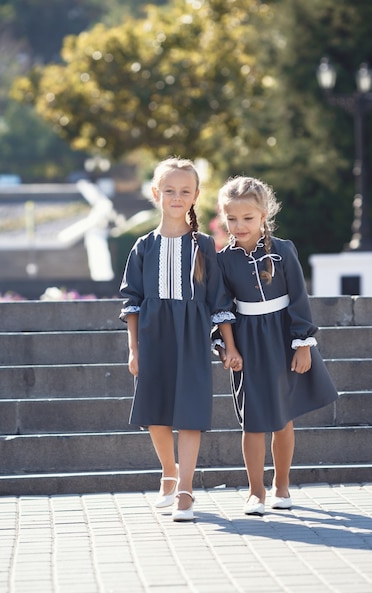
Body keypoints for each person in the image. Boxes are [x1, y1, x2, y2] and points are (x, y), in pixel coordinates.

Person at [119, 157, 242, 522]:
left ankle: (185, 491)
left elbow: (219, 300)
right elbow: (132, 302)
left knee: (189, 412)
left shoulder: (204, 246)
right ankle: (169, 472)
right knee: (155, 412)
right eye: (169, 190)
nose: (176, 197)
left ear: (195, 196)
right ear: (156, 193)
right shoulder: (143, 246)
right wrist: (133, 348)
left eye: (184, 191)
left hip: (192, 337)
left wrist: (229, 345)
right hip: (153, 336)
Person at [214, 175, 338, 515]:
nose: (239, 225)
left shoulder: (283, 251)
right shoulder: (223, 260)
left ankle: (281, 485)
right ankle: (255, 492)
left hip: (283, 338)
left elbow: (299, 298)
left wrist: (302, 345)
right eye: (232, 218)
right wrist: (228, 348)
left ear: (264, 214)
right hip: (247, 341)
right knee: (252, 420)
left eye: (248, 218)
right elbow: (221, 308)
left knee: (283, 418)